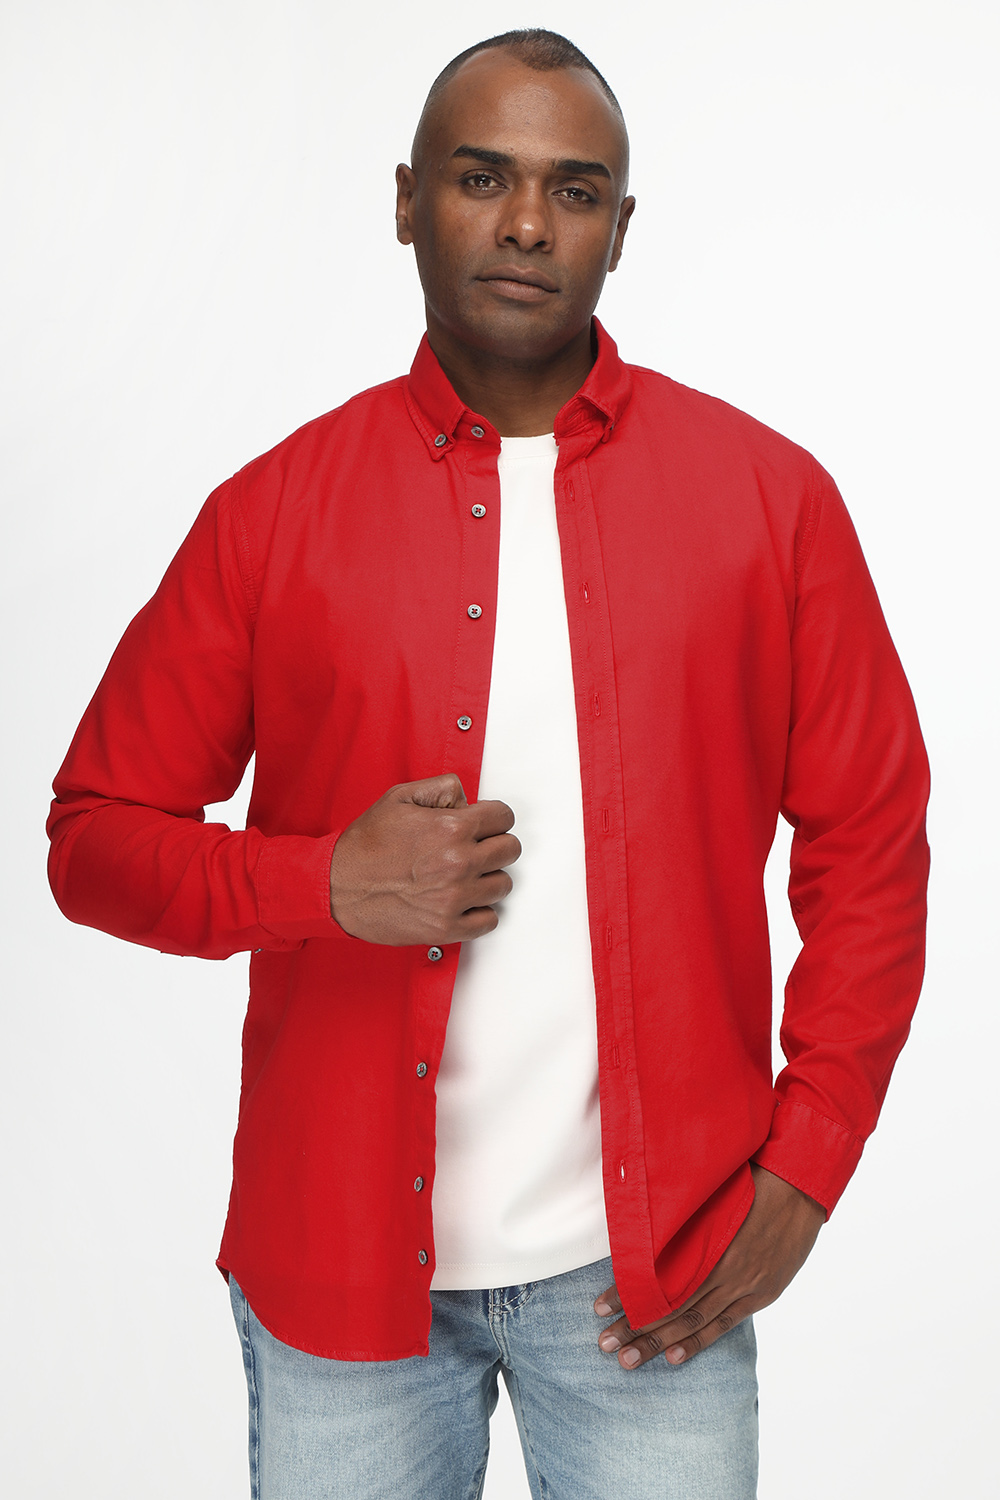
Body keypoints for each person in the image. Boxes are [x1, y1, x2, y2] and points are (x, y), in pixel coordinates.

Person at [47, 28, 930, 1500]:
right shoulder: (271, 515)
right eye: (481, 178)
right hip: (341, 1281)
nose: (527, 223)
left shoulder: (770, 504)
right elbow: (93, 838)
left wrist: (809, 1163)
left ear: (620, 229)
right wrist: (322, 883)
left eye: (573, 191)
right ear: (406, 201)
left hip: (657, 1276)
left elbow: (873, 842)